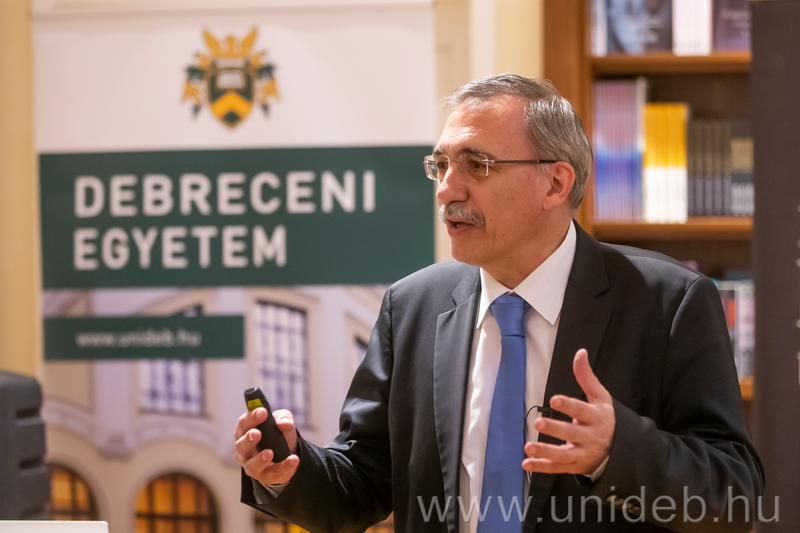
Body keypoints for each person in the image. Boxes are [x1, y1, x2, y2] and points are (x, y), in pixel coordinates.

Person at [234, 74, 763, 532]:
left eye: (476, 165)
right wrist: (290, 471)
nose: (446, 190)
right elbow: (364, 481)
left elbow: (735, 496)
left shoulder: (668, 303)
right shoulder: (412, 306)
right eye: (441, 165)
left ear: (555, 183)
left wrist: (615, 450)